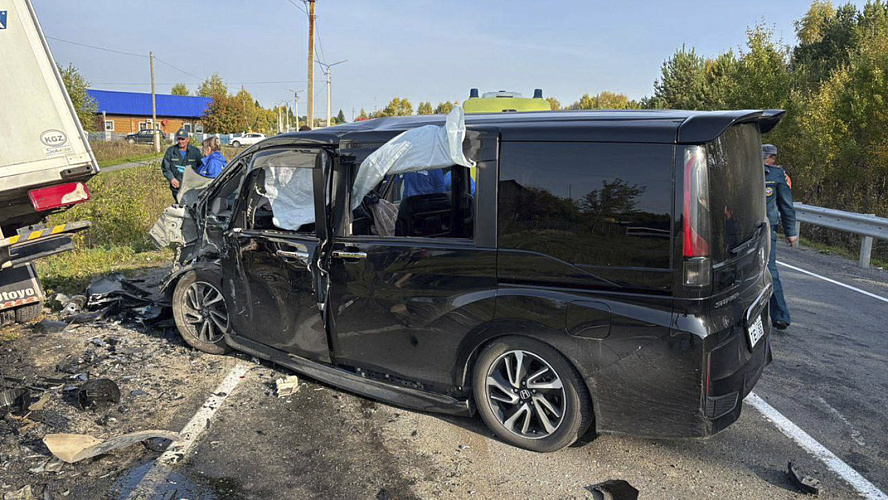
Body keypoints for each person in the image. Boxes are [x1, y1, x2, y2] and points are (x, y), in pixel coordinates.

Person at [763, 144, 798, 330]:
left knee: (769, 269)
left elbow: (786, 205)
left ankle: (780, 315)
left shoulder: (777, 175)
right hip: (745, 228)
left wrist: (791, 232)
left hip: (768, 228)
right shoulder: (746, 170)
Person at [161, 129, 203, 199]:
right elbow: (165, 168)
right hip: (176, 187)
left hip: (191, 187)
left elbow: (201, 167)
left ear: (187, 139)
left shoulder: (195, 152)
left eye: (182, 139)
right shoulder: (171, 151)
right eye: (179, 139)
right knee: (179, 206)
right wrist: (171, 179)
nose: (180, 141)